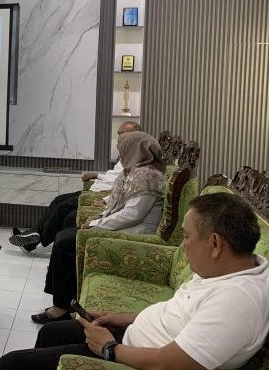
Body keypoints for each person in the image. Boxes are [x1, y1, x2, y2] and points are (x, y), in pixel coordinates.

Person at [0, 193, 269, 370]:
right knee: (49, 333)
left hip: (134, 357)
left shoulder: (236, 301)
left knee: (9, 364)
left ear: (214, 244)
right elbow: (180, 313)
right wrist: (123, 319)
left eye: (187, 237)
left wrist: (109, 348)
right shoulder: (229, 268)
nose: (183, 246)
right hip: (132, 337)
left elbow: (170, 363)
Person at [31, 131, 167, 324]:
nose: (120, 154)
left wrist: (97, 225)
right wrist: (99, 217)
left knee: (65, 244)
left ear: (134, 149)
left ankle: (60, 308)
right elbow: (120, 205)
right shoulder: (139, 170)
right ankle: (63, 302)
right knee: (63, 237)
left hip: (134, 234)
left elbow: (132, 215)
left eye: (123, 149)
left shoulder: (147, 176)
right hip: (125, 227)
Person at [10, 121, 142, 253]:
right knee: (58, 200)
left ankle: (35, 239)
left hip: (101, 193)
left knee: (63, 209)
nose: (119, 138)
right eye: (118, 134)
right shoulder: (126, 153)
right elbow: (116, 177)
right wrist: (97, 175)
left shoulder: (138, 159)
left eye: (123, 134)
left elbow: (121, 184)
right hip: (95, 189)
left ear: (136, 135)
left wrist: (103, 190)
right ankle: (33, 235)